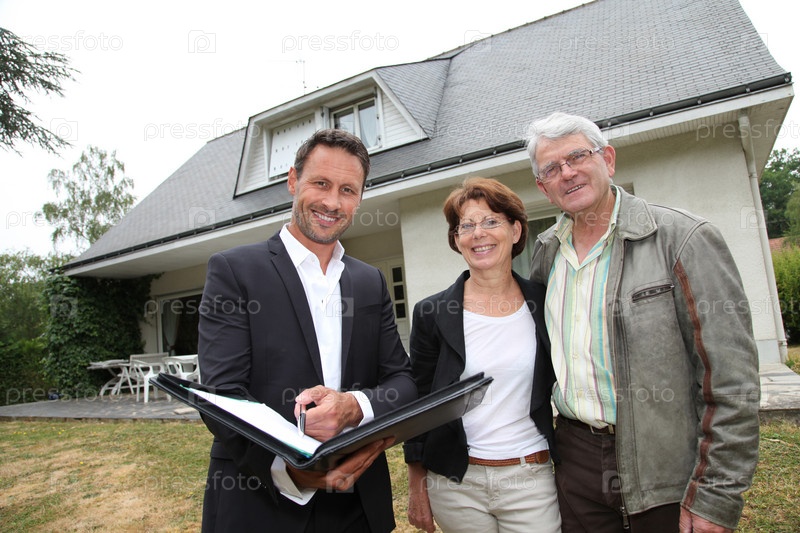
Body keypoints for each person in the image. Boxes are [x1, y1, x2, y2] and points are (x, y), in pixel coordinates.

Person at [525, 112, 760, 533]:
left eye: (577, 156)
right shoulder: (546, 253)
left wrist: (717, 495)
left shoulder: (682, 237)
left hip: (665, 461)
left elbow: (731, 379)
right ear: (543, 187)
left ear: (608, 159)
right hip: (576, 459)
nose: (567, 173)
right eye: (552, 169)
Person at [197, 128, 417, 532]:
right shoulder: (235, 271)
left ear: (360, 198)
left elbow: (403, 382)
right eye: (321, 183)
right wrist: (289, 470)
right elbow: (222, 395)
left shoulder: (369, 281)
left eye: (348, 190)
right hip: (262, 501)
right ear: (293, 180)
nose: (332, 202)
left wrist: (353, 406)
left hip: (358, 504)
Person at [403, 177, 562, 533]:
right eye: (466, 226)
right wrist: (417, 483)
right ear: (456, 239)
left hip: (530, 476)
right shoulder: (432, 313)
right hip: (456, 483)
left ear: (516, 231)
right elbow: (419, 402)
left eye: (491, 221)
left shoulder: (545, 301)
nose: (479, 234)